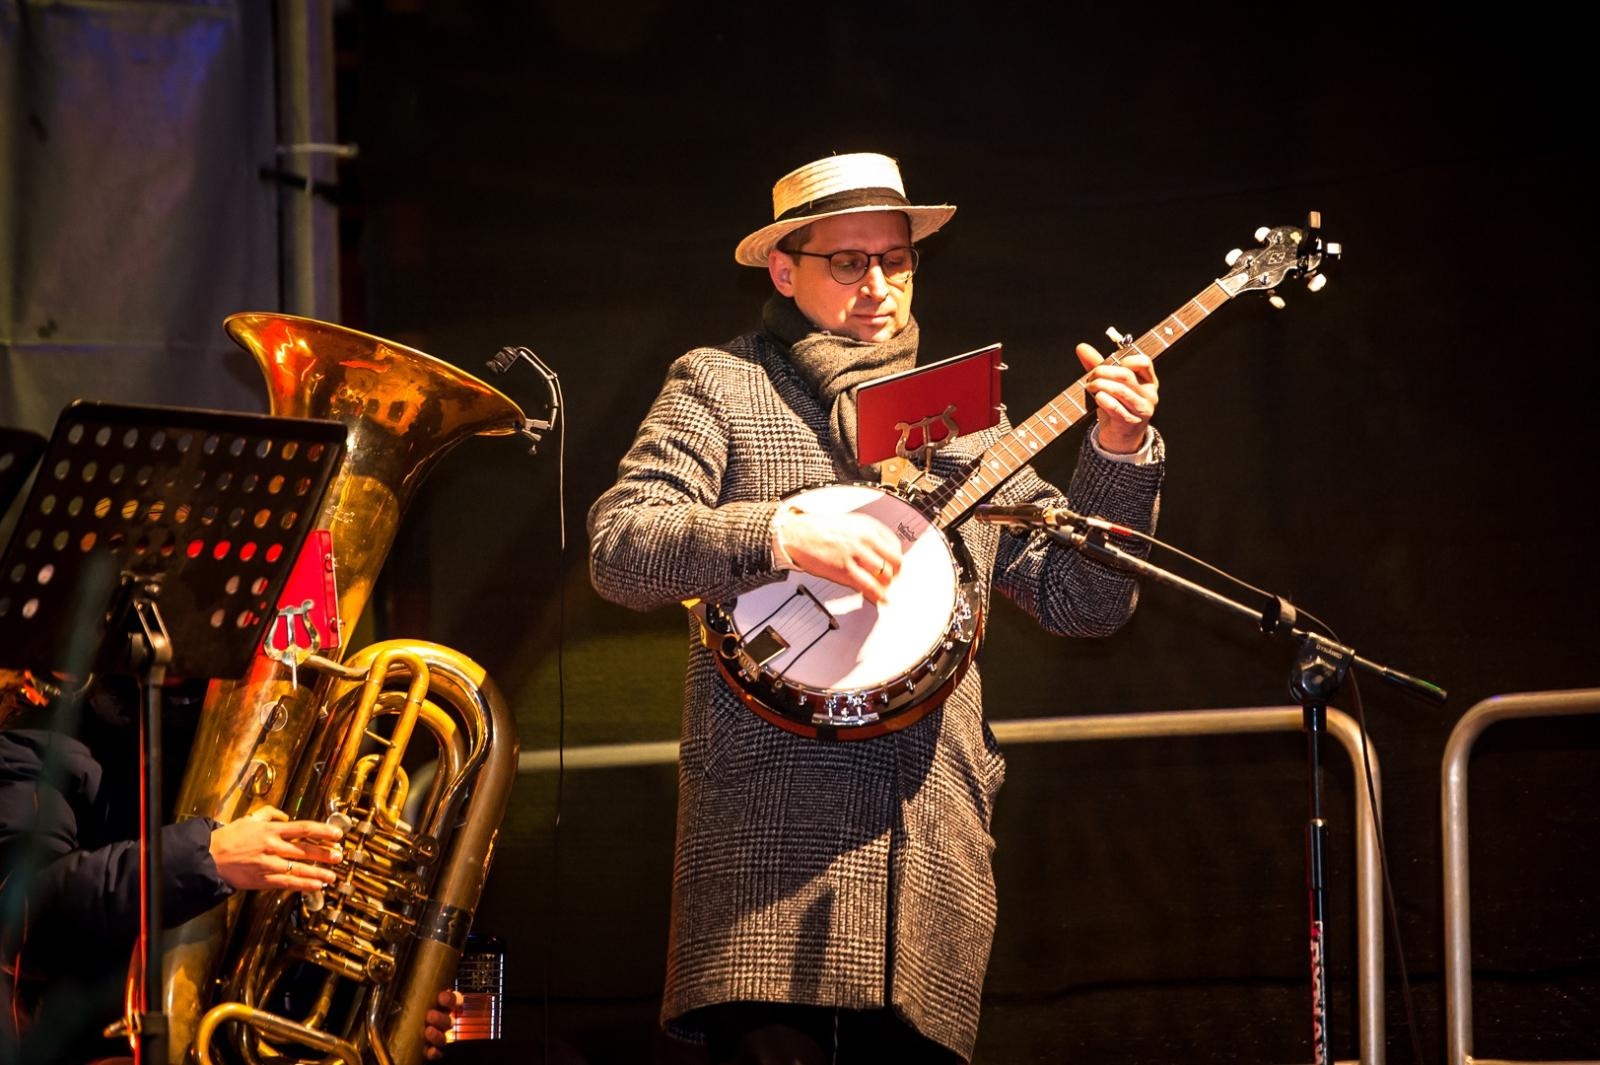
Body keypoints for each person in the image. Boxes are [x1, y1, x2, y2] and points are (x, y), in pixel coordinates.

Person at [587, 152, 1164, 1063]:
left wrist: (1120, 453)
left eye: (895, 260)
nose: (878, 286)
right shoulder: (721, 384)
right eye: (848, 262)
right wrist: (780, 532)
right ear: (785, 268)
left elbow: (1084, 599)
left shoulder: (973, 420)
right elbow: (622, 546)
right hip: (768, 863)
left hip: (931, 864)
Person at [0, 671, 458, 1064]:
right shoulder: (41, 735)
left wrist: (390, 1000)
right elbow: (25, 909)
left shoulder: (299, 727)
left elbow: (298, 925)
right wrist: (208, 857)